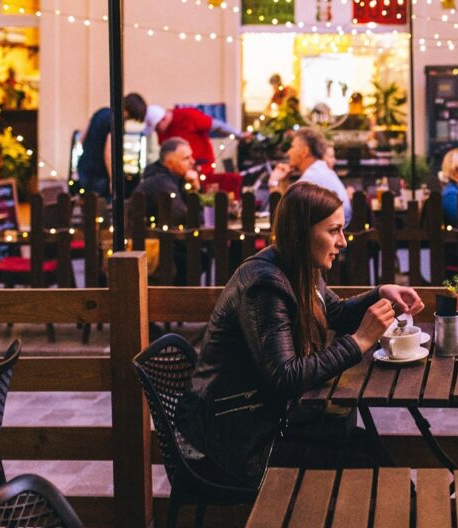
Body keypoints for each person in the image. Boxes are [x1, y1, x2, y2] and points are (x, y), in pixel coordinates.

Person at [177, 182, 424, 480]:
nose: (343, 242)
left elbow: (336, 312)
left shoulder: (297, 266)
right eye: (333, 231)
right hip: (235, 442)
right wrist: (359, 341)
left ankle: (410, 518)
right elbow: (286, 376)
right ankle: (409, 518)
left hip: (263, 422)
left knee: (369, 448)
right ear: (300, 233)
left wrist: (380, 292)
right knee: (366, 466)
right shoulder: (264, 285)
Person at [267, 127, 352, 224]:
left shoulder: (309, 180)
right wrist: (283, 181)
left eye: (292, 146)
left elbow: (283, 218)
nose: (288, 152)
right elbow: (289, 206)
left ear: (304, 152)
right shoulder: (320, 171)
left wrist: (273, 181)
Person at [76, 92, 147, 198]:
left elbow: (82, 138)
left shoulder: (101, 112)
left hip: (84, 166)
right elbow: (109, 152)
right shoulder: (116, 121)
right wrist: (113, 179)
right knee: (104, 207)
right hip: (100, 172)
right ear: (129, 112)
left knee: (89, 204)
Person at [145, 105, 244, 178]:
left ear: (163, 119)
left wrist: (239, 135)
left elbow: (217, 125)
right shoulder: (162, 132)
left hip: (202, 170)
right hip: (178, 174)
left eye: (157, 128)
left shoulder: (187, 115)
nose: (157, 131)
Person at [130, 137, 198, 225]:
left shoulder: (180, 179)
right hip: (149, 236)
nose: (193, 161)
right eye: (186, 158)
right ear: (169, 163)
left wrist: (195, 188)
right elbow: (180, 216)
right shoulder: (160, 181)